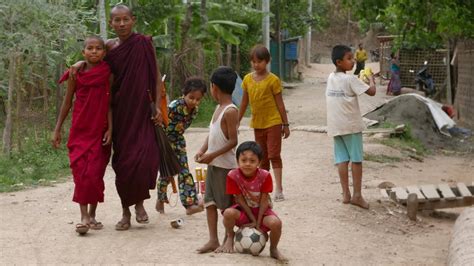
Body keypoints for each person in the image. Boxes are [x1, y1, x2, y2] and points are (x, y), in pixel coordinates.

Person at [70, 4, 164, 230]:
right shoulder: (109, 47)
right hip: (119, 111)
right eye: (117, 21)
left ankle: (140, 204)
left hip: (141, 110)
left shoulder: (143, 43)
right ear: (111, 24)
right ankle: (125, 211)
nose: (121, 24)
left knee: (144, 159)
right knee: (124, 163)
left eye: (125, 20)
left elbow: (156, 73)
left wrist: (158, 105)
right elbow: (95, 64)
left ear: (133, 20)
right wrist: (79, 63)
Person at [52, 36, 112, 235]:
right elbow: (67, 102)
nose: (94, 52)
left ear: (104, 52)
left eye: (98, 49)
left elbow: (110, 104)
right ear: (83, 52)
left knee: (95, 173)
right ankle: (84, 216)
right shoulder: (75, 74)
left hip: (100, 130)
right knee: (81, 173)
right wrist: (57, 128)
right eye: (90, 48)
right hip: (80, 130)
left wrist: (110, 128)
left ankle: (93, 214)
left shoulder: (107, 73)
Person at [216, 141, 286, 261]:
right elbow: (239, 199)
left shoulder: (264, 176)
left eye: (252, 161)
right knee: (228, 213)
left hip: (262, 212)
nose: (247, 164)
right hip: (243, 211)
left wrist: (258, 224)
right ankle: (230, 236)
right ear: (237, 160)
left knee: (276, 223)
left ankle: (273, 249)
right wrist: (252, 220)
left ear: (259, 162)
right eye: (244, 160)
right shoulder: (233, 175)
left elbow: (264, 201)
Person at [326, 45, 376, 209]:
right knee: (356, 160)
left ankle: (345, 194)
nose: (353, 61)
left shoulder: (331, 77)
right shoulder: (351, 79)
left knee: (341, 159)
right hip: (351, 126)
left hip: (336, 125)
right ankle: (357, 195)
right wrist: (371, 80)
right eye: (349, 59)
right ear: (339, 62)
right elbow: (372, 92)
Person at [195, 66, 239, 253]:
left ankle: (229, 237)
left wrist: (212, 155)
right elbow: (212, 134)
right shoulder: (218, 108)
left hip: (225, 166)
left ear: (214, 87)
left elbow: (233, 141)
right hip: (213, 165)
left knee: (227, 205)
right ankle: (213, 239)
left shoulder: (230, 111)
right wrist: (202, 150)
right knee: (210, 202)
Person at [239, 44, 290, 202]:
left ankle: (279, 188)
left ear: (267, 61)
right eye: (253, 61)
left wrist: (285, 124)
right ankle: (263, 189)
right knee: (262, 158)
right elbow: (244, 102)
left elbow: (280, 104)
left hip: (273, 122)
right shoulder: (247, 79)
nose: (256, 64)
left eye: (260, 61)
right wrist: (237, 120)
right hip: (258, 123)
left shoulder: (273, 80)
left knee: (274, 155)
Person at [156, 77, 206, 215]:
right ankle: (160, 200)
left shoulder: (194, 110)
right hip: (165, 142)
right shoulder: (173, 106)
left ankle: (189, 204)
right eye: (191, 97)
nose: (194, 101)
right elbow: (161, 121)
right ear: (184, 94)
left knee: (184, 172)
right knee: (167, 173)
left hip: (178, 142)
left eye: (197, 99)